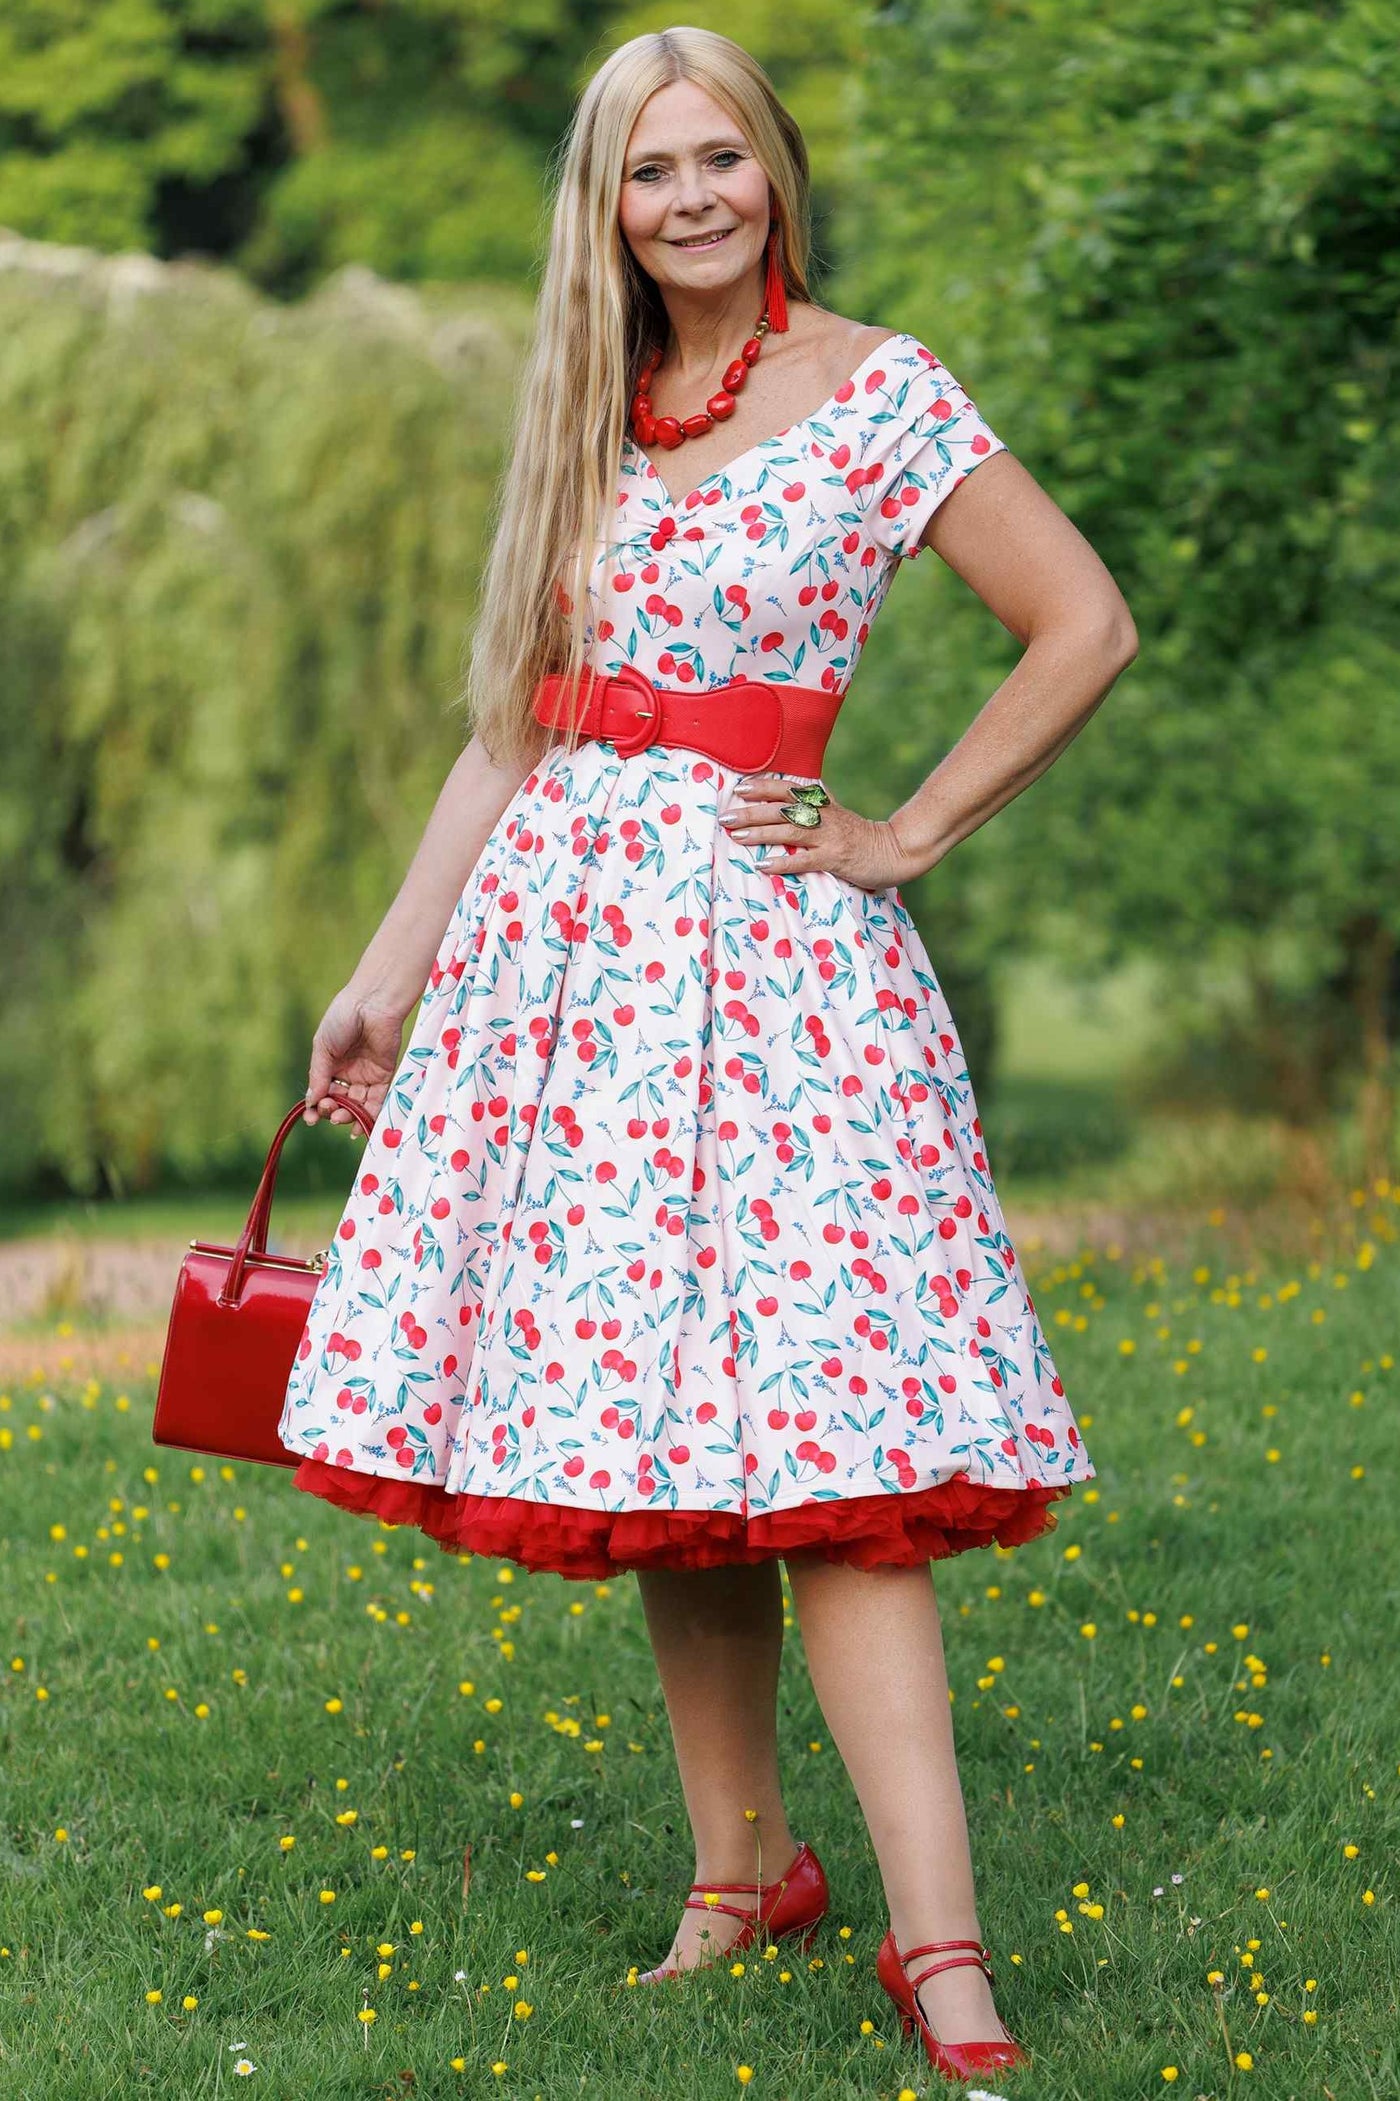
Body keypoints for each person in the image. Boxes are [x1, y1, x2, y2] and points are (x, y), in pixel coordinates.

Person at [278, 25, 1137, 2080]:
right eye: (646, 169)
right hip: (564, 980)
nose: (688, 198)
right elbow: (517, 724)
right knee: (661, 1444)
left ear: (774, 173)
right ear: (606, 204)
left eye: (718, 158)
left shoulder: (882, 389)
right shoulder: (587, 414)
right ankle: (741, 1862)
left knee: (835, 1466)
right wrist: (387, 971)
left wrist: (906, 829)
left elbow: (1082, 622)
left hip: (781, 982)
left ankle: (941, 1951)